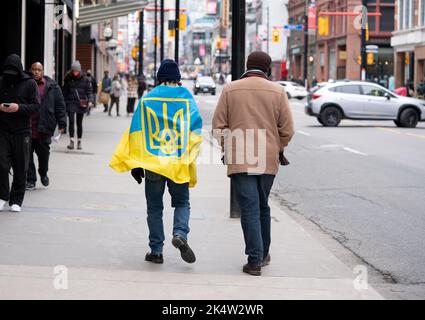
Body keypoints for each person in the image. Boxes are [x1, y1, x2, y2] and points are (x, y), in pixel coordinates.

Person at [110, 59, 203, 264]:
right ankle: (180, 234)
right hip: (178, 162)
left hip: (153, 163)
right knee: (181, 202)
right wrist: (190, 154)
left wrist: (135, 164)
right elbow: (196, 129)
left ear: (159, 78)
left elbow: (136, 132)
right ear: (178, 79)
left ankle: (156, 251)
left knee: (154, 208)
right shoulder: (187, 98)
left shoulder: (147, 99)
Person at [212, 51, 294, 276]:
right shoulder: (278, 91)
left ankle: (255, 260)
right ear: (267, 69)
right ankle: (263, 254)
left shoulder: (230, 89)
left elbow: (218, 126)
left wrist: (227, 146)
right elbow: (287, 130)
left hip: (241, 156)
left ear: (248, 65)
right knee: (262, 205)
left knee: (249, 207)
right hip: (267, 157)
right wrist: (276, 147)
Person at [0, 54, 40, 212]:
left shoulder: (30, 83)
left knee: (20, 166)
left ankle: (16, 199)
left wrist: (19, 108)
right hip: (3, 129)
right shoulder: (1, 81)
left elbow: (36, 106)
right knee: (1, 164)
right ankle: (3, 196)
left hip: (22, 131)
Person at [25, 62, 67, 191]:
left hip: (44, 128)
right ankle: (31, 180)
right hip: (27, 128)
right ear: (30, 70)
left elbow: (60, 105)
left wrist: (62, 123)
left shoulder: (52, 87)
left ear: (43, 71)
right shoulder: (25, 84)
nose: (36, 72)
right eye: (34, 69)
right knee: (27, 156)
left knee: (43, 155)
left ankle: (43, 173)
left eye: (39, 70)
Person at [62, 61, 93, 150]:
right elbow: (64, 91)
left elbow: (89, 91)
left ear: (79, 70)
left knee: (79, 123)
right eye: (74, 71)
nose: (75, 72)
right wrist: (64, 102)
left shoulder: (86, 79)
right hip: (71, 102)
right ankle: (71, 141)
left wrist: (90, 100)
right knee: (71, 121)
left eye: (77, 71)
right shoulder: (68, 78)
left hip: (81, 104)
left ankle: (79, 141)